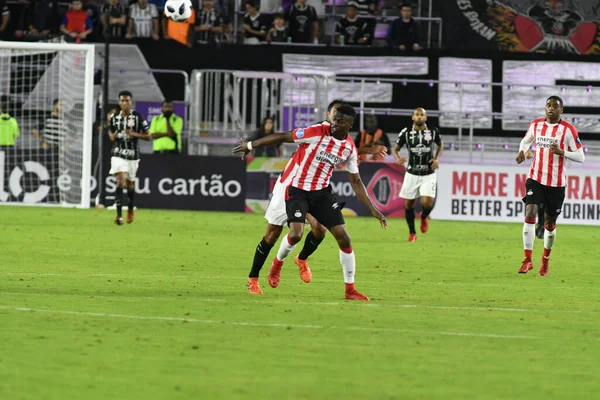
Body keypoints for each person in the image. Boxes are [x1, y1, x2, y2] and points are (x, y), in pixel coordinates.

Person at [234, 104, 388, 301]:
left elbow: (345, 158)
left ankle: (303, 260)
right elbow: (284, 136)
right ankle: (258, 275)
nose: (333, 122)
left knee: (321, 230)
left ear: (349, 124)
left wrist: (374, 208)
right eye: (333, 117)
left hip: (319, 192)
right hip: (290, 186)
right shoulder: (316, 131)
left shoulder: (347, 145)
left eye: (339, 120)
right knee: (274, 235)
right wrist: (250, 145)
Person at [516, 96, 584, 276]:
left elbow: (581, 156)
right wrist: (522, 151)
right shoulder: (536, 125)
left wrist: (563, 152)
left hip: (556, 184)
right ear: (545, 108)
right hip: (535, 178)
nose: (551, 108)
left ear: (562, 110)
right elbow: (526, 141)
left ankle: (545, 261)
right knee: (530, 212)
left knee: (549, 224)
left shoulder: (568, 130)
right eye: (548, 105)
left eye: (555, 106)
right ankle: (527, 259)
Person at [108, 91, 169, 225]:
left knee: (129, 185)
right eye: (122, 101)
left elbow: (148, 136)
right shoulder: (114, 117)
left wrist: (134, 134)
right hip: (118, 154)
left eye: (127, 101)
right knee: (120, 180)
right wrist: (111, 136)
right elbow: (111, 132)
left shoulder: (138, 117)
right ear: (119, 102)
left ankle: (130, 208)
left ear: (131, 102)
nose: (124, 103)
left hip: (133, 156)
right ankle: (118, 215)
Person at [393, 107, 442, 242]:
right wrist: (398, 158)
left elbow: (440, 144)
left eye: (422, 115)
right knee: (409, 204)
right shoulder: (406, 132)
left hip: (428, 173)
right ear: (413, 117)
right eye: (417, 114)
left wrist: (436, 158)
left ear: (425, 118)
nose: (420, 117)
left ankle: (424, 216)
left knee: (427, 202)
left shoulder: (432, 131)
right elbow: (395, 149)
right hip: (412, 173)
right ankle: (412, 232)